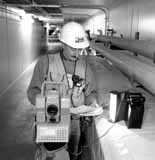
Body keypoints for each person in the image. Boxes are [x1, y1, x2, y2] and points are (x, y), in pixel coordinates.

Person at [27, 21, 98, 160]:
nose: (77, 53)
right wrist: (45, 102)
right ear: (63, 44)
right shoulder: (46, 63)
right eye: (73, 48)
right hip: (51, 121)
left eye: (80, 49)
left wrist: (92, 104)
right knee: (52, 155)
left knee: (73, 154)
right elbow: (32, 92)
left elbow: (91, 93)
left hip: (75, 122)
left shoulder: (85, 67)